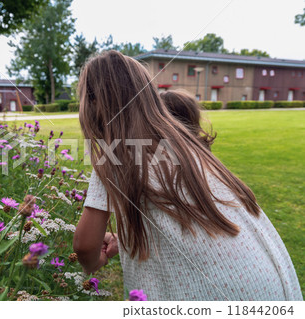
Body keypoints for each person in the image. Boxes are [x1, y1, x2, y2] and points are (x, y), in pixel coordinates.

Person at [73, 50, 302, 301]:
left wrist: (93, 262)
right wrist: (122, 238)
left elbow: (85, 247)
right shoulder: (187, 145)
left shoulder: (116, 154)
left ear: (94, 104)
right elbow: (181, 221)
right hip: (268, 283)